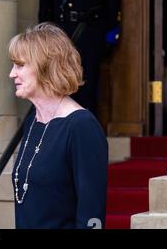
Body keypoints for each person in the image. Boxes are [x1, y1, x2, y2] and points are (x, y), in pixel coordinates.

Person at [8, 23, 108, 229]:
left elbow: (92, 214)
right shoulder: (32, 122)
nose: (12, 74)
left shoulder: (82, 126)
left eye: (20, 65)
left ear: (46, 66)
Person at [38, 0, 121, 116]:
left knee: (87, 88)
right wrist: (43, 38)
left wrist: (110, 38)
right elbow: (45, 7)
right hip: (60, 37)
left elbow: (112, 2)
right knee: (61, 85)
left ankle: (85, 131)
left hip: (90, 36)